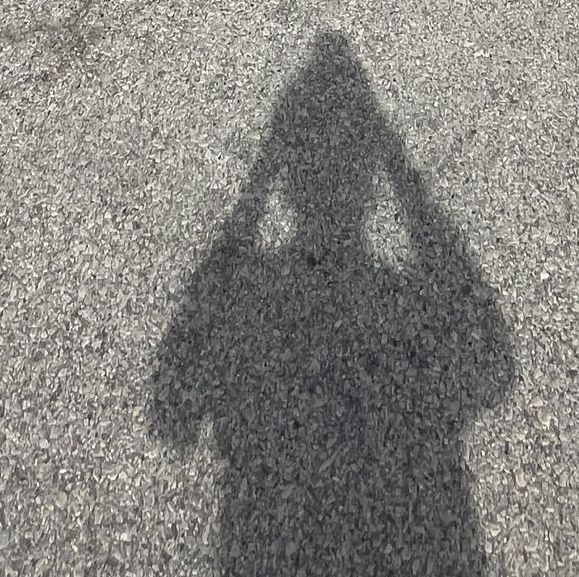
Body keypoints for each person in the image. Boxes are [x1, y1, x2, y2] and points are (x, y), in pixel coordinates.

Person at [151, 32, 515, 574]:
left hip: (262, 530)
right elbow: (493, 372)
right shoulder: (400, 297)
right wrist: (405, 177)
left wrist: (252, 199)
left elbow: (171, 417)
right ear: (368, 189)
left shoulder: (253, 290)